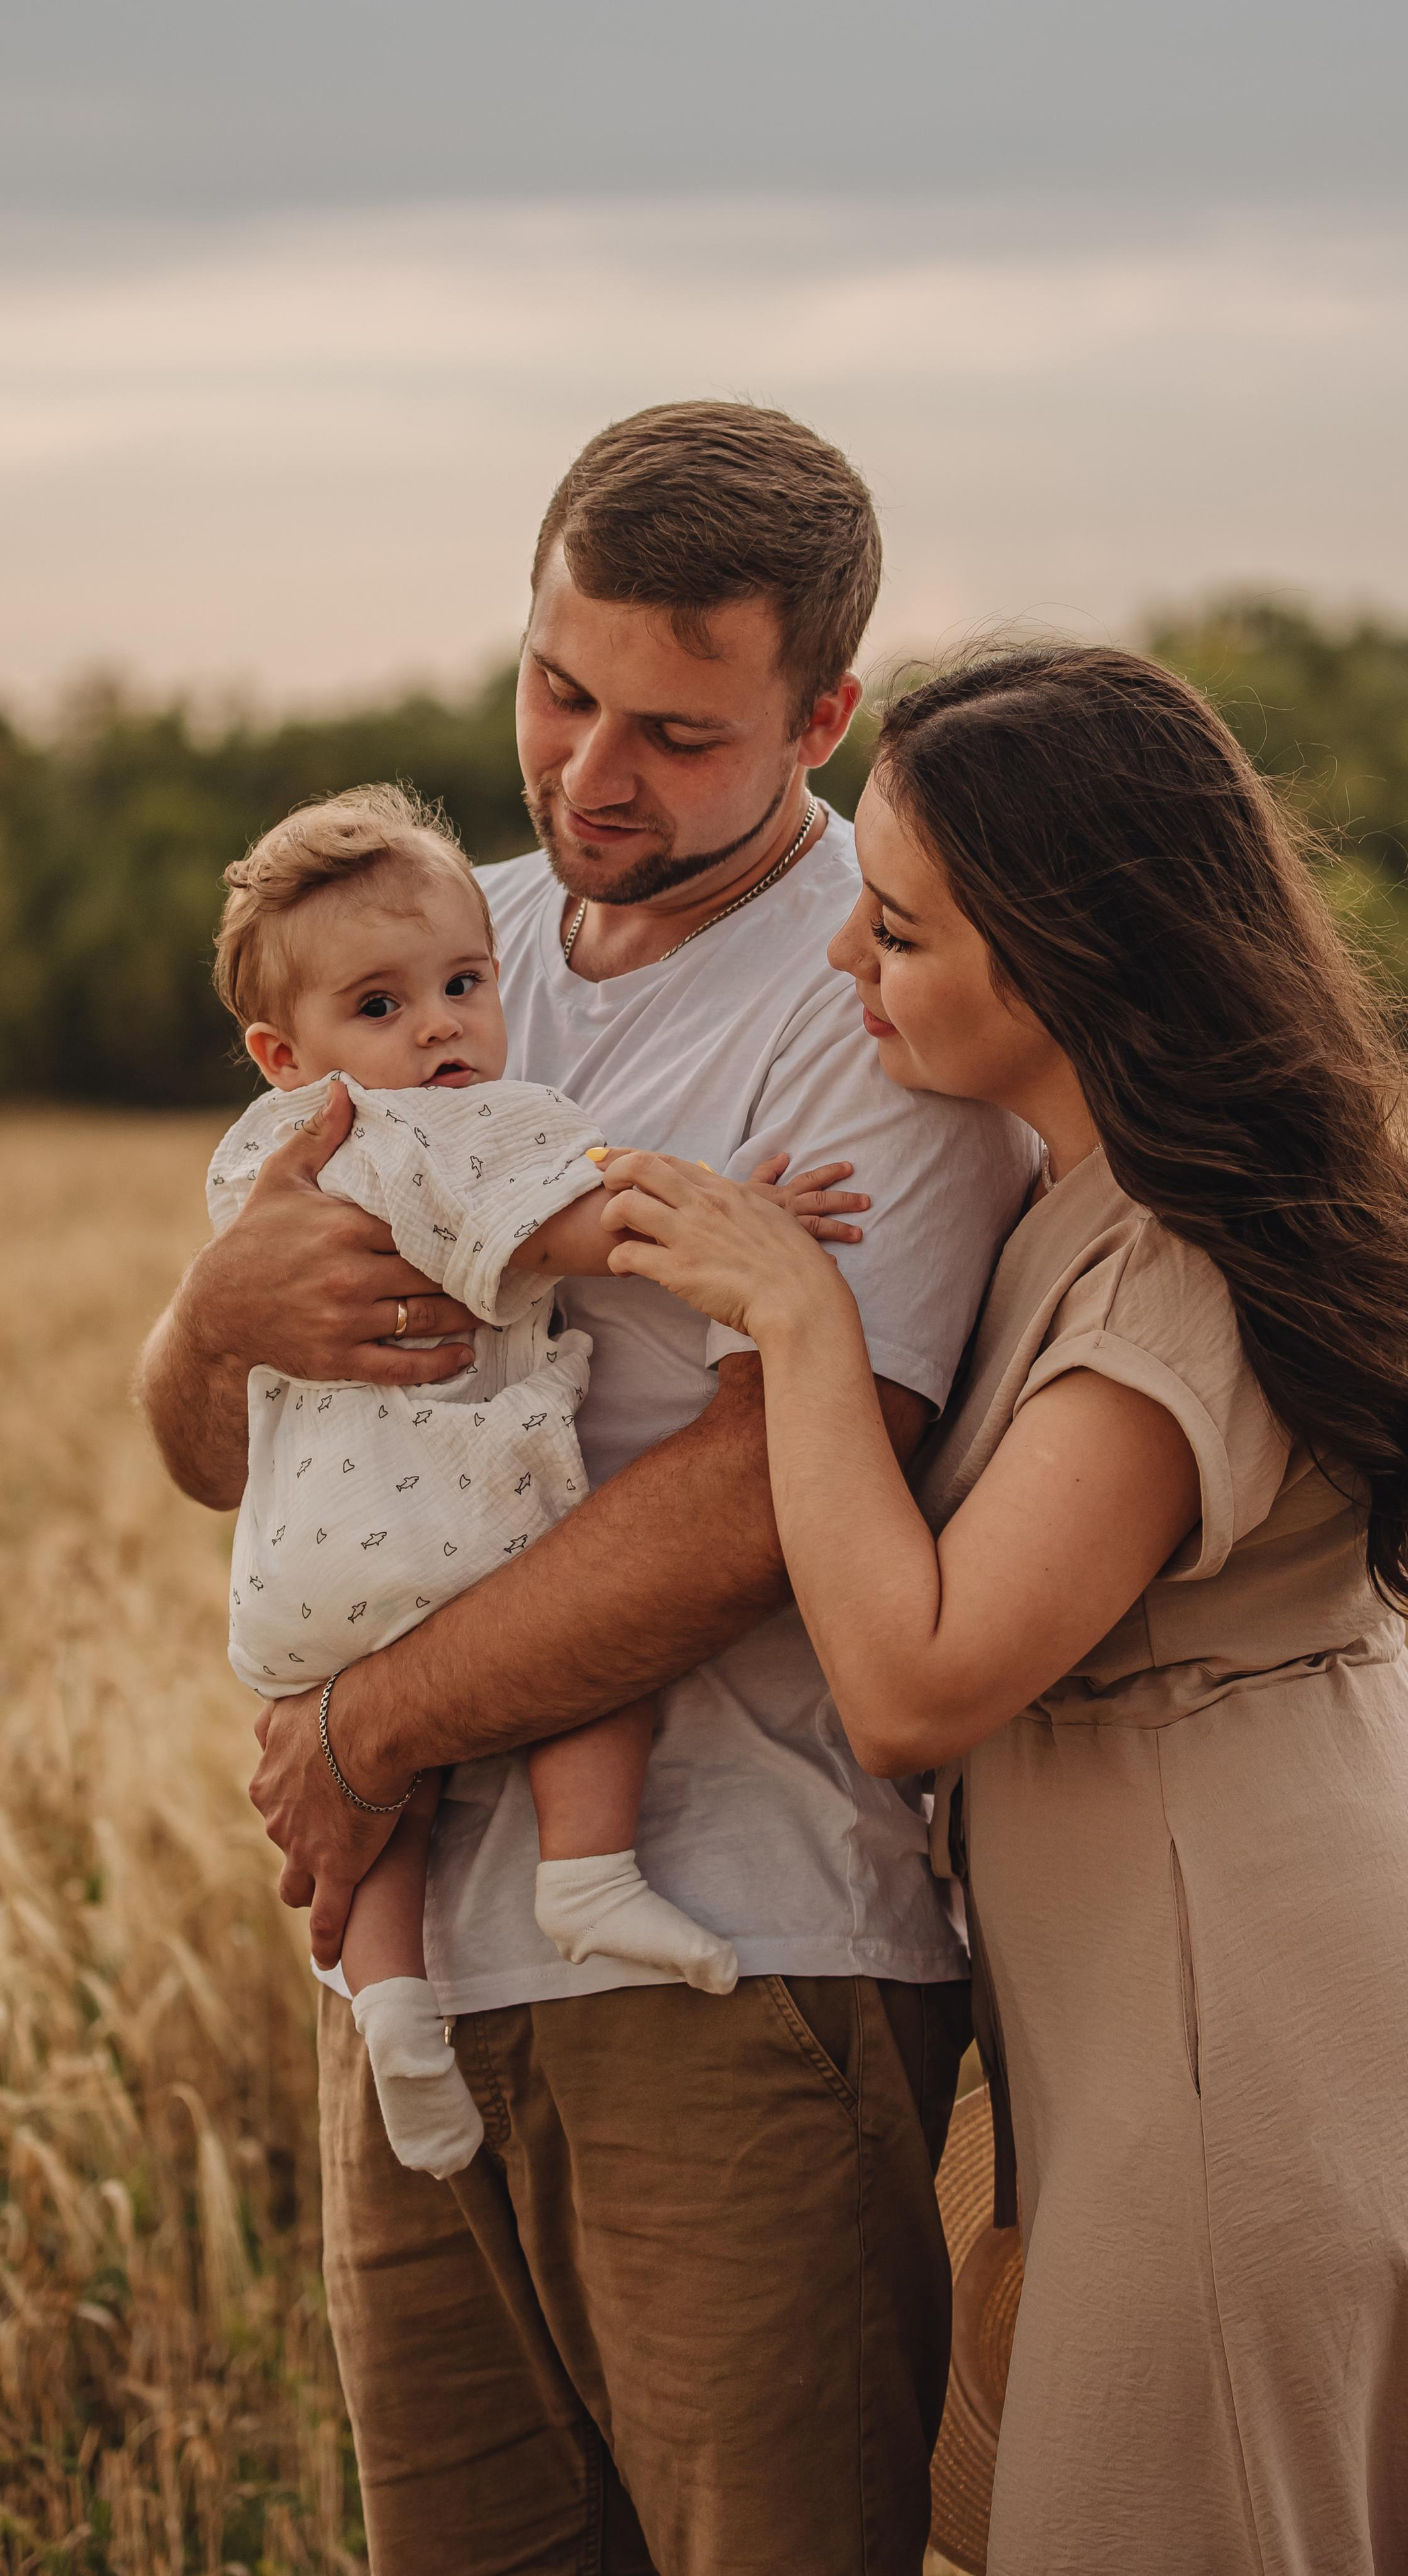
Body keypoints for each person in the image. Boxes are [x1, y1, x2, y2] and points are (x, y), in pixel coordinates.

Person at [597, 643, 1408, 2576]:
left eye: (897, 929)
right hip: (1253, 1992)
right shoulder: (1095, 1199)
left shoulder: (1165, 1274)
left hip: (1254, 2053)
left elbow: (921, 1682)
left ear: (1065, 960)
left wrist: (790, 1308)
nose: (847, 968)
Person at [140, 404, 1037, 2576]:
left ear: (821, 714)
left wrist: (361, 1733)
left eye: (675, 728)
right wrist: (202, 1325)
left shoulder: (880, 1001)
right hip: (420, 1978)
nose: (587, 772)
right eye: (557, 690)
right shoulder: (443, 944)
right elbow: (228, 1448)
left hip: (734, 1952)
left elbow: (753, 1510)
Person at [205, 782, 867, 2177]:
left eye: (459, 984)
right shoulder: (427, 1129)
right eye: (380, 1009)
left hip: (294, 1591)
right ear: (287, 1050)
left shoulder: (258, 1164)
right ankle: (591, 1872)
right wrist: (743, 1215)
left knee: (387, 1804)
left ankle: (389, 1998)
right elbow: (567, 1221)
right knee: (577, 1642)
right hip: (446, 1520)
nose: (440, 1024)